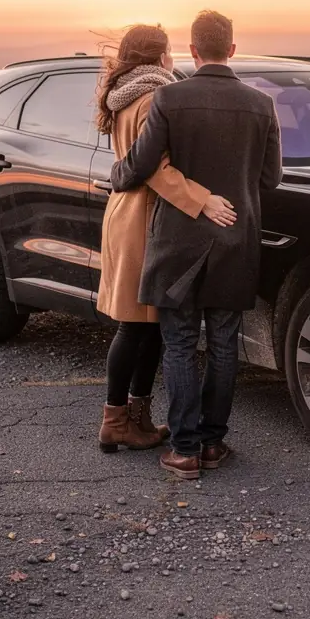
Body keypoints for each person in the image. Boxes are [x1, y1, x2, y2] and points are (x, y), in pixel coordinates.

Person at [111, 10, 282, 479]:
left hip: (177, 241)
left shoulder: (168, 97)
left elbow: (142, 163)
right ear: (232, 49)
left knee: (181, 343)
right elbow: (271, 178)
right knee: (225, 345)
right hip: (235, 238)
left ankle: (183, 450)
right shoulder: (262, 104)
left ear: (191, 50)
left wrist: (117, 175)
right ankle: (212, 443)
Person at [95, 23, 237, 453]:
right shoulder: (155, 95)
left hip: (125, 212)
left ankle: (132, 419)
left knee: (146, 325)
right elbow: (155, 168)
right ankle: (118, 419)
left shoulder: (121, 94)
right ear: (159, 57)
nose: (174, 58)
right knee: (138, 325)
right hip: (147, 216)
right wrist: (203, 199)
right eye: (170, 51)